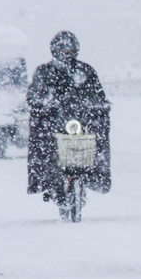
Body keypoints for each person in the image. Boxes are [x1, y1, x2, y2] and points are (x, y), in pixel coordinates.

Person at [27, 31, 111, 209]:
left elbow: (98, 95)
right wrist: (44, 105)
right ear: (55, 50)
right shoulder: (44, 72)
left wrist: (99, 105)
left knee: (98, 140)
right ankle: (46, 180)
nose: (66, 52)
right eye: (63, 49)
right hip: (54, 123)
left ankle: (95, 175)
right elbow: (34, 96)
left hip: (80, 121)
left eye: (69, 49)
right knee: (44, 144)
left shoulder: (85, 71)